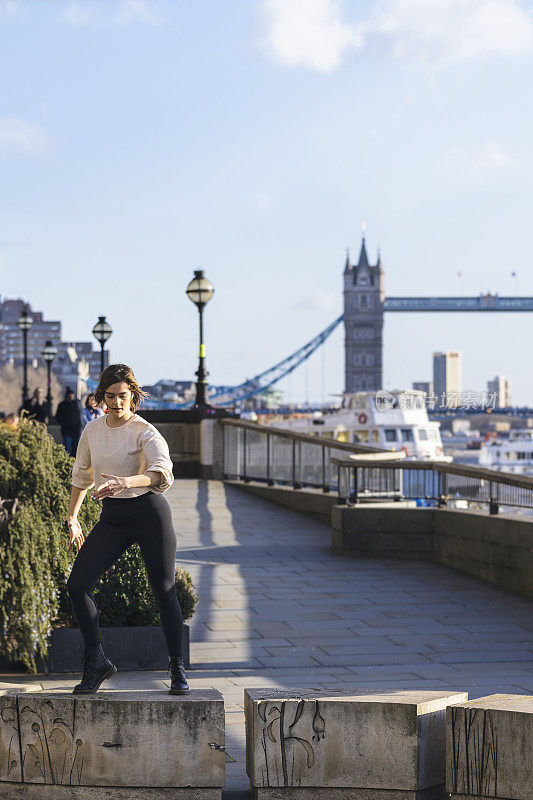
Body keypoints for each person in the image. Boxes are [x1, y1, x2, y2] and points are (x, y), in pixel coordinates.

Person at [65, 363, 188, 695]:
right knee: (77, 585)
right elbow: (82, 475)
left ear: (133, 396)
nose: (116, 402)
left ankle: (177, 668)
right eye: (110, 396)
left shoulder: (145, 431)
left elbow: (162, 471)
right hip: (113, 519)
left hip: (149, 513)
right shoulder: (92, 431)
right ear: (101, 397)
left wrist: (126, 481)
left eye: (123, 396)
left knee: (163, 590)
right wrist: (73, 516)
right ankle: (97, 662)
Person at [55, 387, 83, 455]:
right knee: (67, 448)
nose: (71, 397)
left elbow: (80, 416)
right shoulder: (62, 405)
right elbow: (58, 417)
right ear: (67, 396)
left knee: (75, 449)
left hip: (76, 430)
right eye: (70, 395)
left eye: (72, 395)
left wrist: (79, 426)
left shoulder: (76, 404)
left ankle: (74, 463)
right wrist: (63, 424)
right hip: (66, 430)